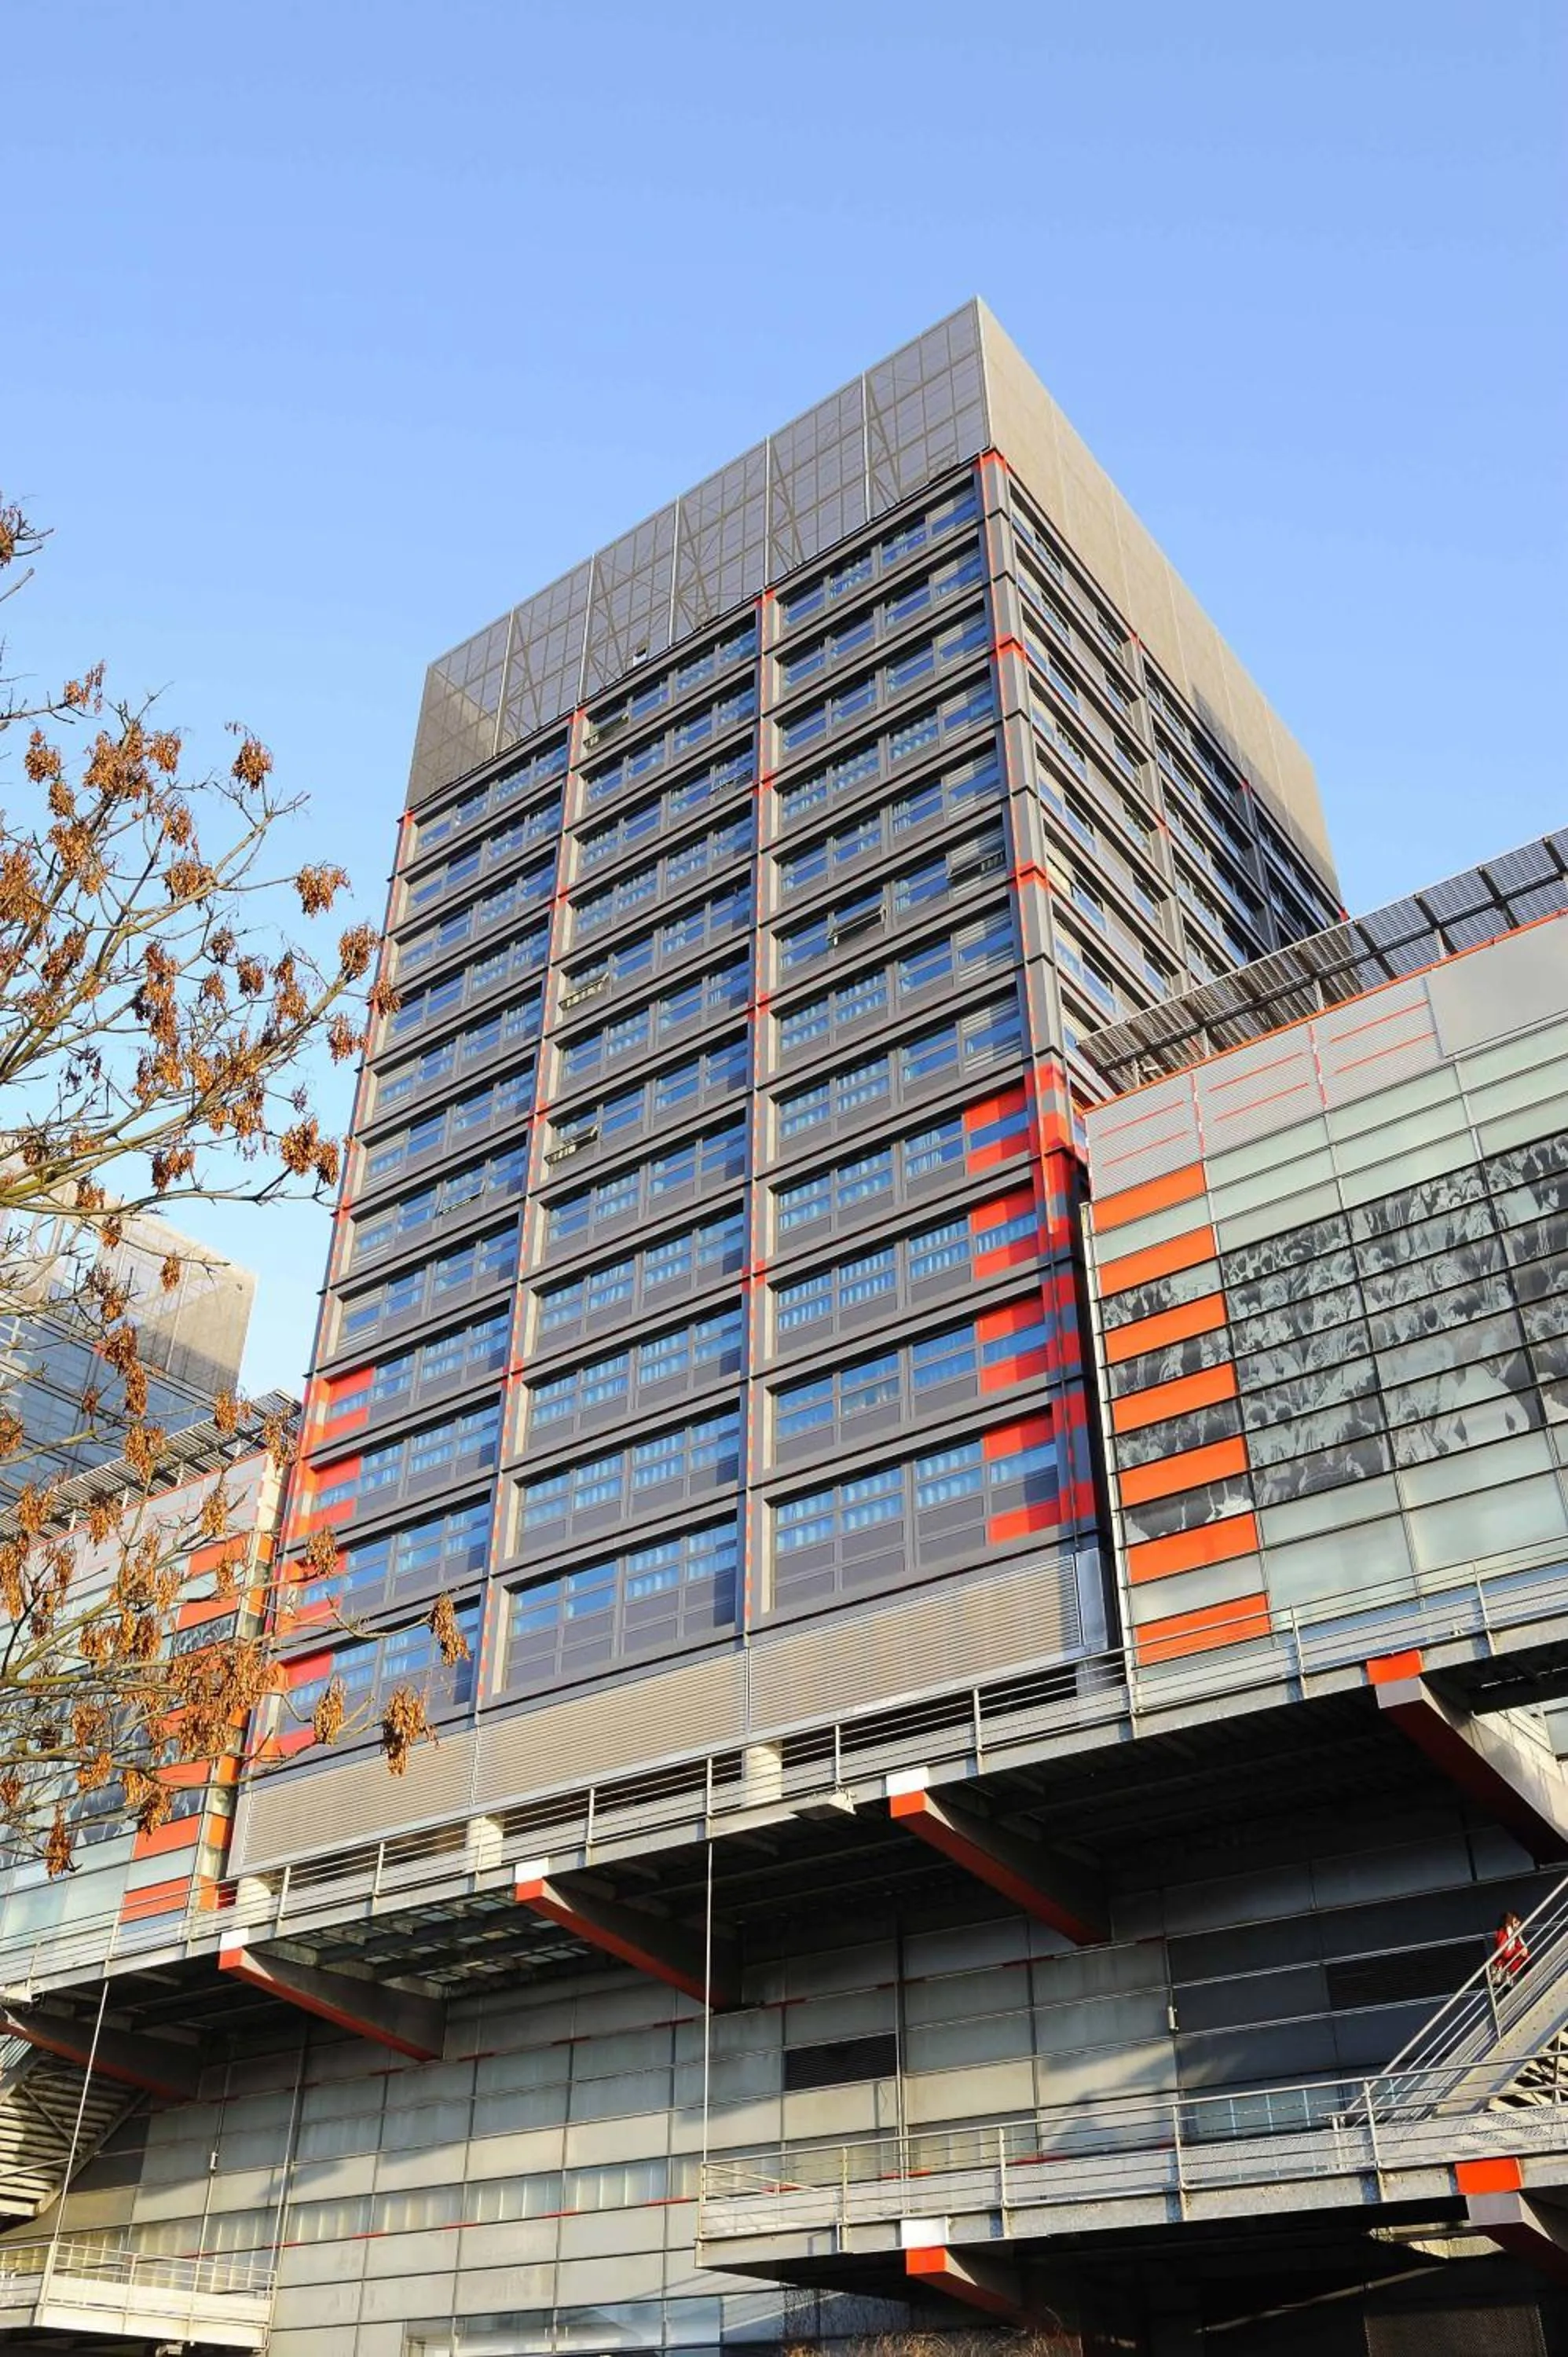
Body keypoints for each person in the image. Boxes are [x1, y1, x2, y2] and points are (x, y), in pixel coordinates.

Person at [1492, 1911, 1529, 1987]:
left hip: (1517, 1968)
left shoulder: (1514, 1934)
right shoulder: (1504, 1934)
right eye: (1515, 1922)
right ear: (1508, 1924)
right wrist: (1519, 1952)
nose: (1519, 1923)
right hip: (1510, 1971)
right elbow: (1505, 1953)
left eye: (1518, 1921)